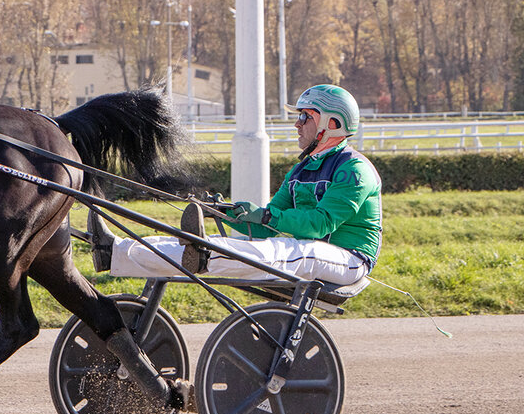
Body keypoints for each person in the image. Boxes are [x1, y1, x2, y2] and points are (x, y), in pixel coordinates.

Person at [90, 84, 382, 287]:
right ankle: (115, 251)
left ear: (331, 124)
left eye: (305, 117)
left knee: (280, 250)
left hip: (349, 258)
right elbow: (265, 226)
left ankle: (205, 256)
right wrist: (230, 215)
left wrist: (267, 216)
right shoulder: (300, 170)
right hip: (310, 251)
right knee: (222, 245)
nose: (297, 124)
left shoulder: (353, 170)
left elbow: (320, 225)